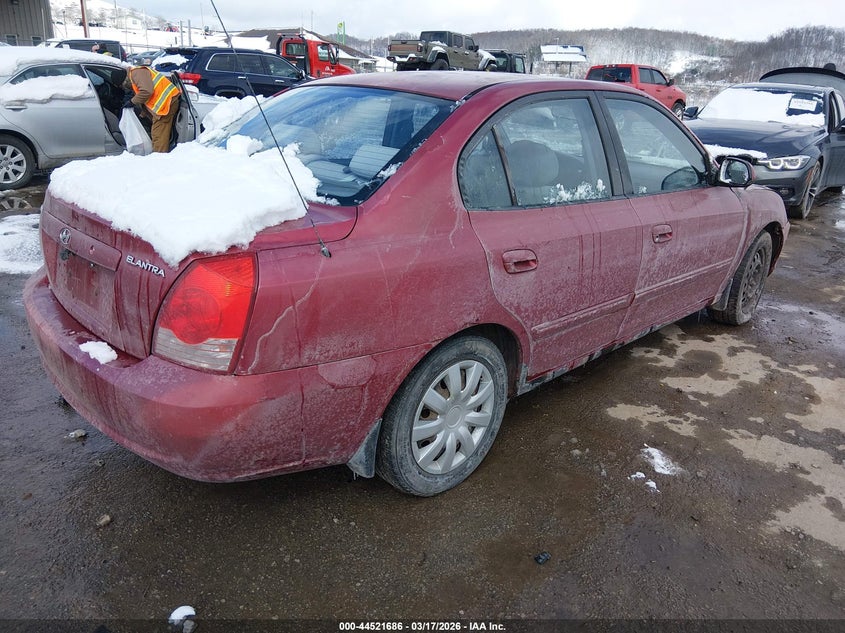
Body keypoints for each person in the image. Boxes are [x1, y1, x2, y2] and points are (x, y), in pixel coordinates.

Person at [123, 65, 181, 153]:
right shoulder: (136, 73)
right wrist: (144, 112)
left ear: (124, 80)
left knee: (158, 135)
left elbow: (147, 91)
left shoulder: (136, 73)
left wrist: (132, 102)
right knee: (158, 133)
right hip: (165, 103)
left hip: (167, 104)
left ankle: (158, 158)